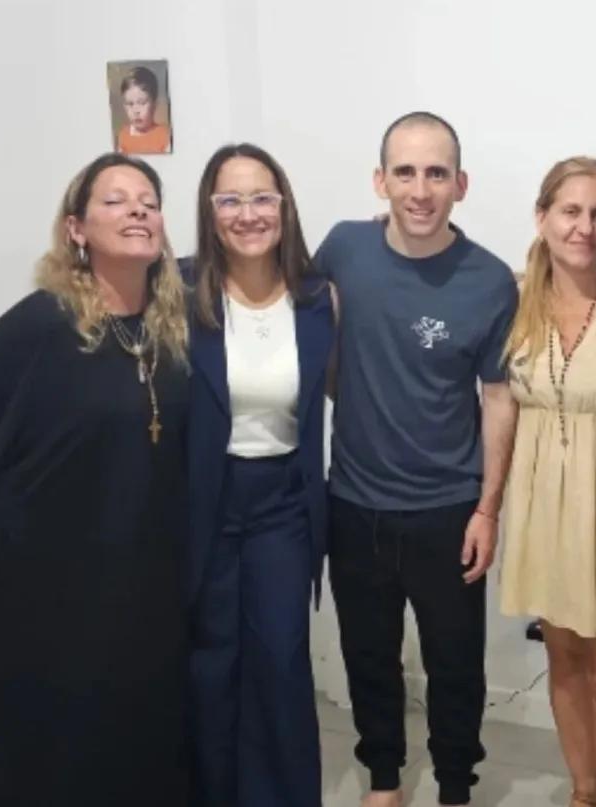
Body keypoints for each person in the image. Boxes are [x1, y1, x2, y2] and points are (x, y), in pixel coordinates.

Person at [0, 152, 192, 807]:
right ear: (77, 228)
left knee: (129, 734)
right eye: (115, 200)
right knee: (49, 748)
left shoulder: (172, 327)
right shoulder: (39, 324)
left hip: (130, 574)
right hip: (30, 581)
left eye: (148, 199)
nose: (137, 208)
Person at [315, 111, 519, 807]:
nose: (420, 189)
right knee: (369, 658)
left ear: (461, 183)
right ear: (380, 180)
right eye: (405, 171)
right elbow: (318, 341)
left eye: (437, 172)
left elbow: (498, 398)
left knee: (456, 666)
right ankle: (383, 780)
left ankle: (456, 786)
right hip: (355, 504)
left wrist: (488, 507)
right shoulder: (343, 249)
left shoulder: (490, 280)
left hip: (448, 509)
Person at [183, 143, 335, 807]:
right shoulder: (180, 290)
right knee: (210, 665)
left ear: (284, 207)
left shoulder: (318, 299)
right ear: (210, 213)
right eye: (230, 199)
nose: (248, 213)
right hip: (202, 505)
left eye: (262, 197)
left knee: (279, 661)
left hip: (283, 507)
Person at [499, 156, 596, 807]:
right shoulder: (513, 296)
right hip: (541, 506)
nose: (585, 227)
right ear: (542, 216)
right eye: (571, 210)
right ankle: (582, 791)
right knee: (563, 661)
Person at [115, 65, 172, 154]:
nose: (136, 111)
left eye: (142, 103)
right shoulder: (123, 136)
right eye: (130, 104)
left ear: (155, 104)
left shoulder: (164, 135)